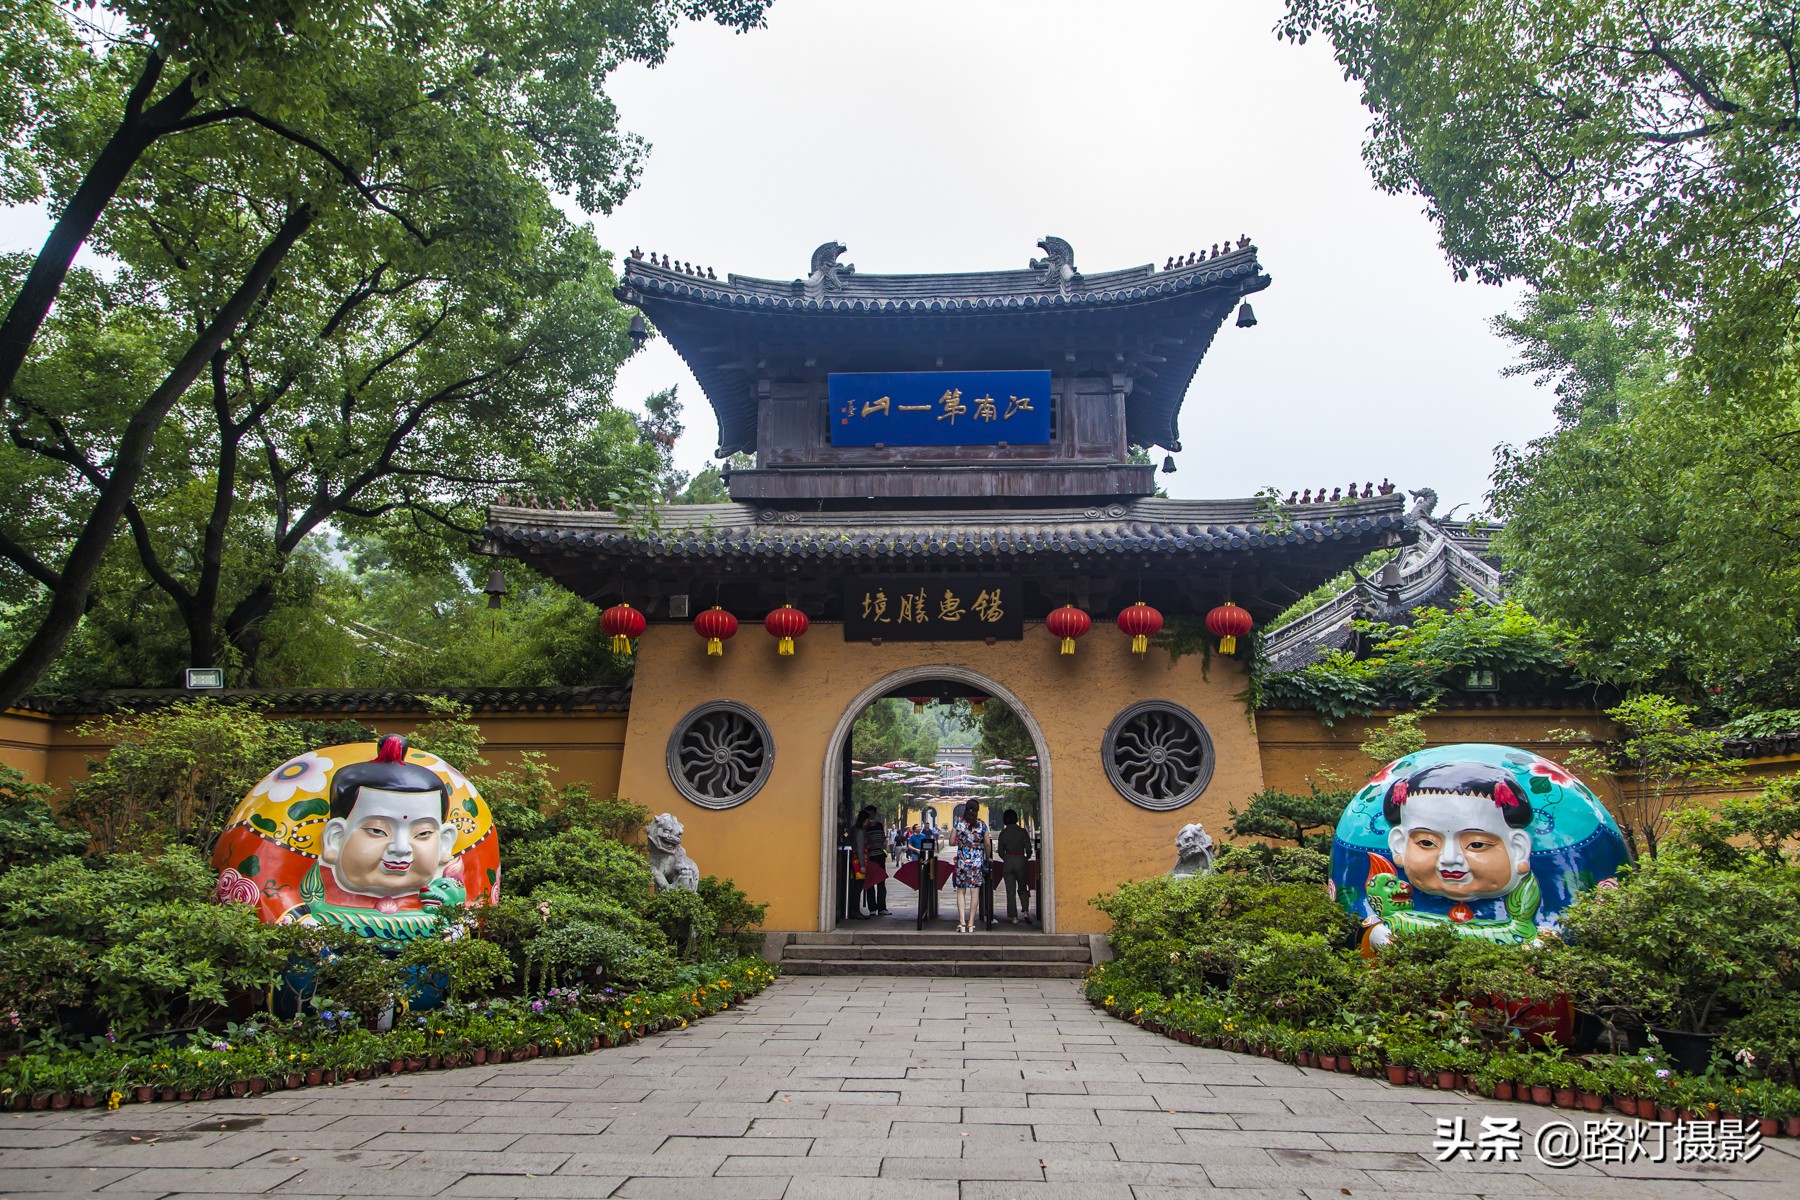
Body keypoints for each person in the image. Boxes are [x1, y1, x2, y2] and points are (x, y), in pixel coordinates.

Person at [952, 800, 988, 934]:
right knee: (975, 892)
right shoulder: (982, 824)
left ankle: (962, 923)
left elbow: (951, 841)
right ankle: (971, 923)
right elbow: (988, 844)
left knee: (961, 891)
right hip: (977, 861)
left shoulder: (959, 824)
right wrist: (987, 856)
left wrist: (962, 842)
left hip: (962, 860)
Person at [996, 808, 1031, 924]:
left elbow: (1000, 851)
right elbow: (1029, 849)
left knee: (1010, 891)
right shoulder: (1022, 832)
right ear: (1016, 818)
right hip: (1021, 860)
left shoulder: (1003, 834)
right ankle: (1025, 911)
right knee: (1022, 887)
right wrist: (1026, 857)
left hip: (1008, 861)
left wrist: (1006, 858)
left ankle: (1014, 917)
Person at [856, 805, 889, 916]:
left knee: (881, 881)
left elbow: (883, 839)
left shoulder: (879, 825)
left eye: (871, 814)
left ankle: (882, 907)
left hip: (879, 855)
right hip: (869, 857)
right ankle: (872, 907)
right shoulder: (864, 828)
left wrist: (883, 844)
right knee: (870, 882)